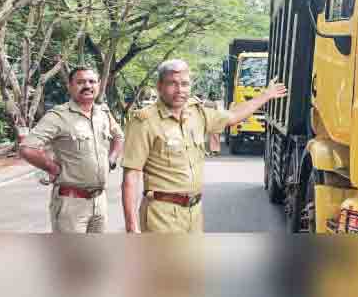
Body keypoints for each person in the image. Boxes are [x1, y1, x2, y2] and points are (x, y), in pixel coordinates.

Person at [121, 59, 287, 233]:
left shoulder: (197, 113)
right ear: (159, 86)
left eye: (184, 84)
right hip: (161, 215)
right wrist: (131, 227)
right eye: (172, 83)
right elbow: (131, 176)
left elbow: (232, 116)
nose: (179, 90)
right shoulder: (144, 122)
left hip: (194, 212)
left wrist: (266, 95)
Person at [19, 67, 124, 233]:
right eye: (80, 82)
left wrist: (111, 159)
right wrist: (52, 168)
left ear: (98, 85)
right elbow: (27, 148)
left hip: (100, 202)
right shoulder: (59, 116)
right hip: (71, 203)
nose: (87, 86)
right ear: (70, 86)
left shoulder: (103, 113)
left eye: (92, 82)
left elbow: (119, 136)